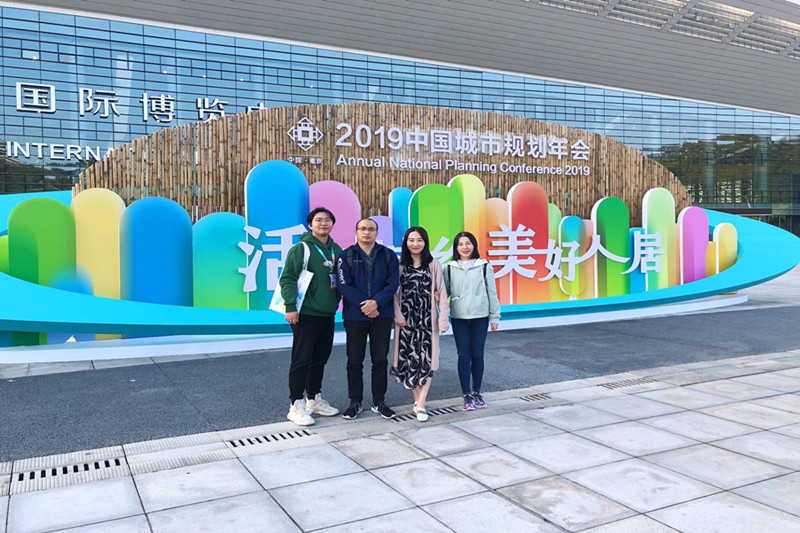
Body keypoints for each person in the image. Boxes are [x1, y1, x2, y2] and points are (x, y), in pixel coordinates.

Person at [279, 207, 342, 426]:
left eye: (328, 220)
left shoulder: (336, 249)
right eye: (319, 220)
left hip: (327, 312)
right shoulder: (302, 249)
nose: (323, 223)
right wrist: (290, 306)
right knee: (301, 359)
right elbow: (287, 278)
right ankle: (295, 405)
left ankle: (314, 400)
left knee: (320, 358)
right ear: (310, 225)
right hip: (305, 313)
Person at [336, 218, 400, 420]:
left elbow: (392, 284)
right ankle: (355, 402)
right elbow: (343, 285)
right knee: (354, 360)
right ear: (356, 232)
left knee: (380, 360)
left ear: (376, 233)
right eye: (362, 229)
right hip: (355, 316)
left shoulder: (388, 255)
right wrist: (366, 305)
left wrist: (376, 303)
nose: (366, 232)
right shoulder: (345, 255)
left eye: (371, 229)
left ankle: (379, 401)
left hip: (382, 315)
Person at [392, 227, 449, 422]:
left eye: (419, 240)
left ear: (425, 242)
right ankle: (417, 399)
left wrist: (443, 318)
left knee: (428, 359)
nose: (415, 244)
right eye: (411, 240)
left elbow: (442, 292)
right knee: (408, 359)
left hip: (427, 320)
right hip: (405, 320)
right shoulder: (399, 266)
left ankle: (422, 402)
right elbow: (393, 295)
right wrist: (397, 315)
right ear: (405, 243)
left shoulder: (434, 264)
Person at [443, 231, 501, 411]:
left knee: (477, 355)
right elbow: (443, 294)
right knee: (463, 356)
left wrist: (494, 316)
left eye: (468, 243)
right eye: (460, 244)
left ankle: (477, 392)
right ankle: (466, 395)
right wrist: (441, 313)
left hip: (480, 317)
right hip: (459, 318)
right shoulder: (449, 268)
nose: (465, 247)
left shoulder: (484, 266)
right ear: (456, 247)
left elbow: (492, 292)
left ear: (474, 245)